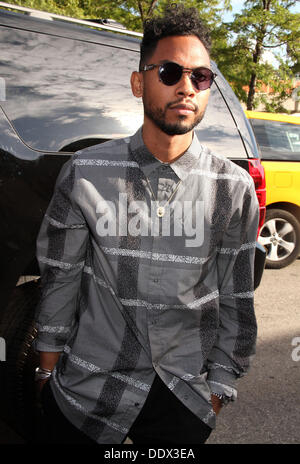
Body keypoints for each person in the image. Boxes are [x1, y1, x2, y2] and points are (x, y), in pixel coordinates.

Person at [34, 4, 259, 445]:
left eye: (201, 77)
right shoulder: (86, 172)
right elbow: (60, 280)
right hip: (87, 396)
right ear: (139, 83)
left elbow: (237, 295)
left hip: (182, 400)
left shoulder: (232, 188)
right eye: (170, 72)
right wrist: (46, 371)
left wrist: (218, 388)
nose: (186, 87)